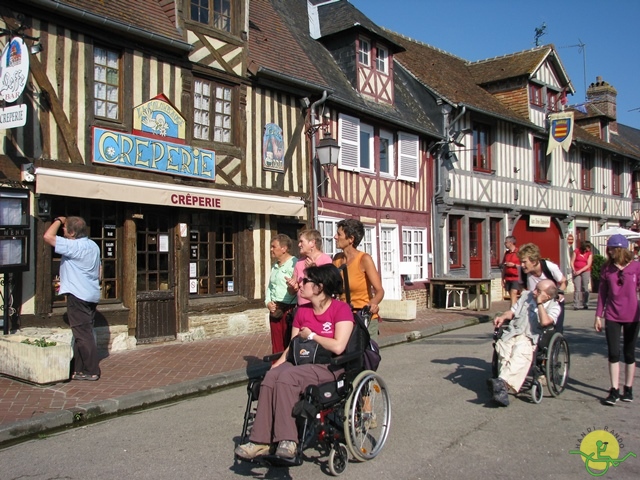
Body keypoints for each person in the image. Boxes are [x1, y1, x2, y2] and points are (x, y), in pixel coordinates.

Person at [234, 264, 355, 460]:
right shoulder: (303, 311)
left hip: (328, 366)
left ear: (319, 287)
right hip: (301, 362)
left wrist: (314, 336)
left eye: (305, 281)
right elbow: (293, 345)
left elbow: (339, 347)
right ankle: (260, 441)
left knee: (287, 378)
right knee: (272, 376)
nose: (300, 284)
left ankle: (288, 440)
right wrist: (279, 362)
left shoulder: (341, 310)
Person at [43, 216, 101, 381]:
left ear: (72, 232)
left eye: (65, 228)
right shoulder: (93, 245)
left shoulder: (74, 246)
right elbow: (99, 270)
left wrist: (58, 221)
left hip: (78, 295)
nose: (62, 230)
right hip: (91, 293)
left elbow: (48, 237)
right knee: (82, 332)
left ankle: (92, 370)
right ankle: (79, 369)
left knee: (83, 335)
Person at [489, 279, 560, 406]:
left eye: (538, 290)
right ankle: (503, 385)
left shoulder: (554, 307)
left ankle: (501, 383)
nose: (533, 291)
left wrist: (539, 303)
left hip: (530, 337)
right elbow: (512, 311)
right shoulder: (526, 296)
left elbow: (545, 322)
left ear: (547, 296)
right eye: (535, 288)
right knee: (503, 349)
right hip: (513, 331)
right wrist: (503, 316)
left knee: (520, 352)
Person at [594, 234, 640, 405]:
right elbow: (602, 294)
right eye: (609, 249)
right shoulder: (607, 268)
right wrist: (598, 315)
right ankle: (614, 389)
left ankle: (628, 388)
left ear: (620, 250)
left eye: (612, 249)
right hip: (612, 315)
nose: (610, 252)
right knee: (614, 353)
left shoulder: (636, 267)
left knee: (629, 353)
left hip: (633, 315)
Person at [332, 219, 384, 339]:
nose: (335, 237)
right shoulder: (337, 259)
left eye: (339, 234)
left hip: (363, 317)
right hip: (343, 317)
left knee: (365, 356)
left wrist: (373, 303)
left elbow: (380, 291)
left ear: (351, 239)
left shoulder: (364, 259)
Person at [518, 242, 567, 331]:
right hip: (535, 302)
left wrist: (559, 292)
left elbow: (564, 281)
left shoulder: (549, 267)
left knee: (555, 329)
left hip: (553, 301)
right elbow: (521, 285)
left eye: (524, 262)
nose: (522, 265)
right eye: (521, 262)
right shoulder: (522, 271)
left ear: (533, 261)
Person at [265, 234, 298, 353]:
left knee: (288, 342)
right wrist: (268, 302)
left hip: (289, 309)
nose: (271, 249)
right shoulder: (275, 266)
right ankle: (276, 368)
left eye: (273, 246)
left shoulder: (295, 263)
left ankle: (288, 369)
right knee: (276, 343)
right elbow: (270, 286)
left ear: (284, 248)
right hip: (275, 309)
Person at [286, 229, 332, 305]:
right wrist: (292, 286)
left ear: (312, 243)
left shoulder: (326, 260)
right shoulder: (299, 262)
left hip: (320, 308)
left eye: (301, 241)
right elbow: (292, 292)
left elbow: (328, 286)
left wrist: (314, 269)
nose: (299, 245)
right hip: (302, 308)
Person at [571, 240, 593, 310]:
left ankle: (585, 303)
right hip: (576, 271)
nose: (589, 249)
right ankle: (576, 304)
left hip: (585, 271)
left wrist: (580, 271)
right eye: (588, 247)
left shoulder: (589, 253)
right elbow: (572, 261)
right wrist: (574, 270)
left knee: (585, 287)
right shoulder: (576, 251)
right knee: (577, 288)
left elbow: (588, 265)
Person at [501, 236, 521, 307]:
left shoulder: (519, 252)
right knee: (511, 295)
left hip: (516, 277)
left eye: (506, 242)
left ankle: (512, 311)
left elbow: (523, 265)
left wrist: (514, 265)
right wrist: (502, 279)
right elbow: (504, 267)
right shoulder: (507, 253)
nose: (505, 244)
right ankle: (515, 310)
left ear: (511, 243)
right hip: (508, 277)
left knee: (513, 293)